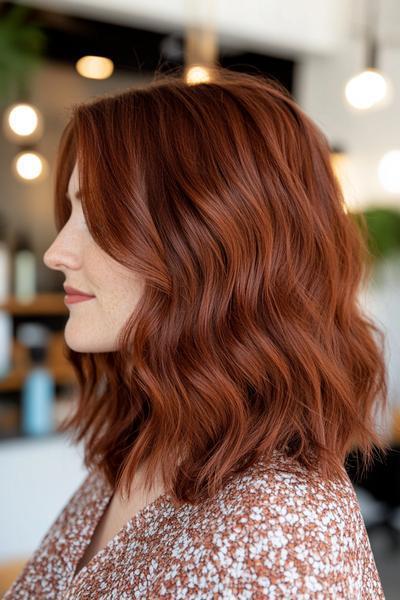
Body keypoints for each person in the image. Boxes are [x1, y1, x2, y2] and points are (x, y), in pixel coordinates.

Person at [5, 66, 389, 599]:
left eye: (98, 215)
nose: (57, 252)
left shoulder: (276, 543)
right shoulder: (146, 444)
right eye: (72, 210)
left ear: (207, 246)